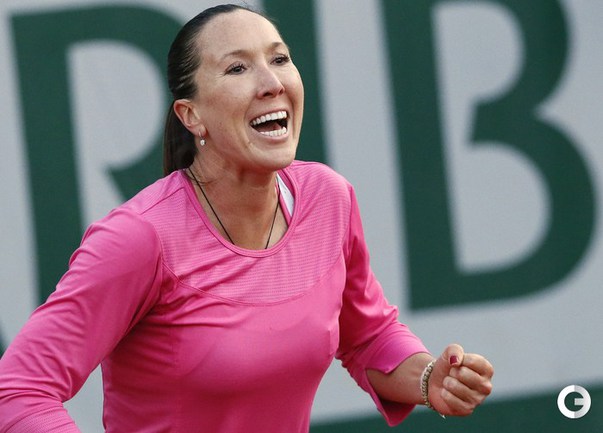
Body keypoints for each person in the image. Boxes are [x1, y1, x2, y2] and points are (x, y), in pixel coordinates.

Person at [0, 4, 493, 432]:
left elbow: (368, 335)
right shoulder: (139, 238)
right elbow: (18, 391)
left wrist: (429, 379)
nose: (272, 83)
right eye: (237, 68)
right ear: (191, 116)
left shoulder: (328, 198)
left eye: (279, 59)